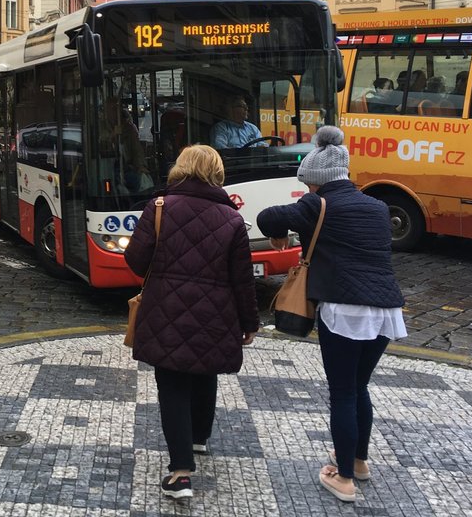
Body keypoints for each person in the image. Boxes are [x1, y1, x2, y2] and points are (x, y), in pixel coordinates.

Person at [256, 126, 406, 504]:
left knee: (341, 392)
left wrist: (281, 236)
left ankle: (342, 480)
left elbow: (268, 217)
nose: (307, 190)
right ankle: (357, 462)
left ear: (316, 182)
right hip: (386, 310)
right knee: (359, 388)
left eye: (308, 184)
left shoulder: (317, 205)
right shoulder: (376, 206)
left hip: (343, 308)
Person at [124, 145, 259, 501]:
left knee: (172, 383)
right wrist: (250, 323)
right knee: (204, 371)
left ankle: (181, 474)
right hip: (216, 312)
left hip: (165, 309)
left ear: (179, 168)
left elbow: (136, 261)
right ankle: (199, 438)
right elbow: (243, 279)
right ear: (217, 171)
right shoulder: (232, 218)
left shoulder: (158, 207)